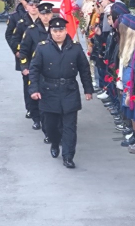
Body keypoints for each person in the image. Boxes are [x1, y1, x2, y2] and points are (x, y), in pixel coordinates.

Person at [29, 17, 93, 168]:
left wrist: (88, 89)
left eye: (61, 31)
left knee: (70, 126)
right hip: (49, 91)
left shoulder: (75, 48)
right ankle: (55, 142)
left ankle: (68, 156)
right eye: (54, 31)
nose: (58, 34)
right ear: (50, 32)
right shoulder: (42, 47)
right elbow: (34, 70)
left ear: (66, 31)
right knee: (51, 125)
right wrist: (34, 89)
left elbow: (84, 70)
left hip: (69, 90)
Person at [19, 2, 54, 137]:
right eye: (43, 14)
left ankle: (48, 122)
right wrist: (24, 67)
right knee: (34, 94)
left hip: (52, 70)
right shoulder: (32, 30)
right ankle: (36, 118)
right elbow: (24, 51)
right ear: (39, 14)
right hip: (35, 69)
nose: (46, 17)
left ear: (52, 14)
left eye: (48, 14)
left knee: (49, 97)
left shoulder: (57, 30)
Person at [10, 0, 42, 117]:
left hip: (43, 59)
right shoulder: (22, 22)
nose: (34, 7)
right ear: (26, 7)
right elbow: (14, 39)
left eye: (37, 5)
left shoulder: (44, 20)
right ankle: (31, 109)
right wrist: (18, 52)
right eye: (31, 5)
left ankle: (42, 110)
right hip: (27, 59)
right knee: (28, 84)